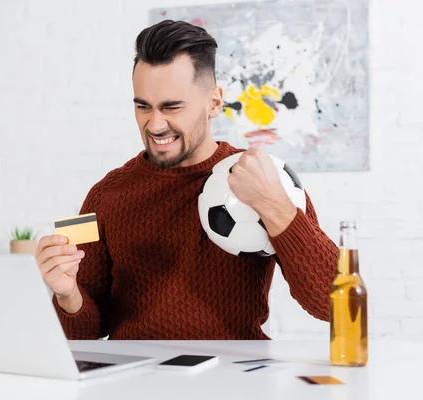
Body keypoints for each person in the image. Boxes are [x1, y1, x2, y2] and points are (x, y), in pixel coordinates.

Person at [35, 20, 338, 340]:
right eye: (143, 107)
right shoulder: (102, 194)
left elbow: (334, 305)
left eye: (172, 107)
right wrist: (66, 295)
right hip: (136, 382)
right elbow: (82, 336)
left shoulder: (266, 179)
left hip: (234, 379)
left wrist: (271, 204)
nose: (154, 124)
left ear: (215, 102)